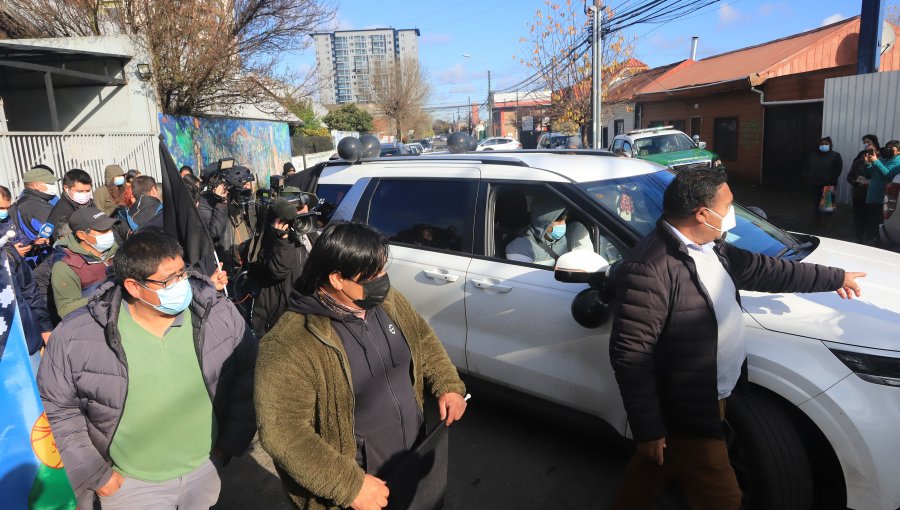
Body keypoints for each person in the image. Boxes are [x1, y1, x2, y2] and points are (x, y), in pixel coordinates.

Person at [608, 169, 865, 510]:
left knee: (654, 465)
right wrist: (648, 429)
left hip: (717, 393)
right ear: (702, 213)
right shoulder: (650, 268)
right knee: (723, 498)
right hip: (686, 409)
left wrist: (835, 277)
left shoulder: (713, 248)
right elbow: (630, 355)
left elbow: (770, 270)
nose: (732, 212)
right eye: (727, 205)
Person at [37, 228, 255, 510]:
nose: (181, 284)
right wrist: (100, 478)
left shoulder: (218, 314)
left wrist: (227, 447)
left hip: (205, 470)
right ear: (133, 287)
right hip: (130, 486)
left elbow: (248, 375)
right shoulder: (76, 336)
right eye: (168, 280)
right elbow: (59, 410)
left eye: (182, 273)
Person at [255, 222, 467, 510]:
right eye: (372, 274)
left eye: (382, 269)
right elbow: (283, 432)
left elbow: (422, 339)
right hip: (357, 491)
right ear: (337, 279)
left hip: (411, 459)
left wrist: (447, 384)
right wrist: (349, 485)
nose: (383, 280)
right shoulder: (289, 343)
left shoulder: (387, 302)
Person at [250, 188, 315, 337]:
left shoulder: (307, 228)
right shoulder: (273, 239)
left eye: (306, 205)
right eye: (298, 207)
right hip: (284, 318)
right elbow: (280, 270)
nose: (305, 209)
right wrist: (282, 240)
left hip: (308, 310)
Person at [1, 185, 53, 372]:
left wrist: (45, 328)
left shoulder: (8, 251)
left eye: (7, 208)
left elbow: (30, 292)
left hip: (27, 340)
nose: (4, 213)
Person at [50, 206, 118, 319]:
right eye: (102, 230)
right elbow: (66, 308)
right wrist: (106, 296)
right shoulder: (66, 265)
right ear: (82, 235)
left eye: (109, 228)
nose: (109, 233)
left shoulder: (118, 250)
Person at [505, 194, 591, 265]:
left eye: (564, 220)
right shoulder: (521, 245)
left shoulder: (564, 238)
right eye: (559, 221)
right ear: (545, 222)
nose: (563, 224)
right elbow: (523, 281)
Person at [9, 165, 59, 266]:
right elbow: (59, 230)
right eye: (49, 183)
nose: (53, 185)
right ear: (36, 185)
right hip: (44, 258)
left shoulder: (28, 200)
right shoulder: (36, 206)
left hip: (35, 259)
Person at [863, 139, 900, 245]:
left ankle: (879, 243)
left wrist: (875, 161)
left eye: (891, 147)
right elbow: (869, 173)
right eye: (887, 146)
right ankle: (872, 240)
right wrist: (868, 163)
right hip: (872, 197)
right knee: (871, 222)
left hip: (882, 199)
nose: (888, 149)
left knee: (880, 224)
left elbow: (888, 174)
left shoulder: (898, 161)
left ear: (898, 151)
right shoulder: (884, 159)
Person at [800, 136, 843, 226]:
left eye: (826, 144)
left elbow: (838, 169)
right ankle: (817, 220)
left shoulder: (835, 155)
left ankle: (827, 222)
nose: (824, 145)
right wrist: (808, 177)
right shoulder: (812, 155)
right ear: (819, 145)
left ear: (830, 145)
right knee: (816, 203)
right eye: (822, 144)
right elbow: (805, 167)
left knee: (828, 205)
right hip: (815, 183)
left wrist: (831, 179)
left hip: (829, 184)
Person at [847, 135, 880, 243]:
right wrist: (857, 182)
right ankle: (859, 238)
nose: (867, 145)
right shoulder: (858, 161)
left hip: (874, 196)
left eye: (869, 142)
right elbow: (850, 177)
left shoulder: (881, 162)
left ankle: (872, 238)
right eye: (865, 143)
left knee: (872, 219)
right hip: (859, 195)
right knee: (859, 218)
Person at [47, 168, 94, 243]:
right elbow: (63, 244)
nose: (85, 194)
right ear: (66, 188)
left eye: (88, 191)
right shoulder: (60, 212)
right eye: (80, 191)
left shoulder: (91, 204)